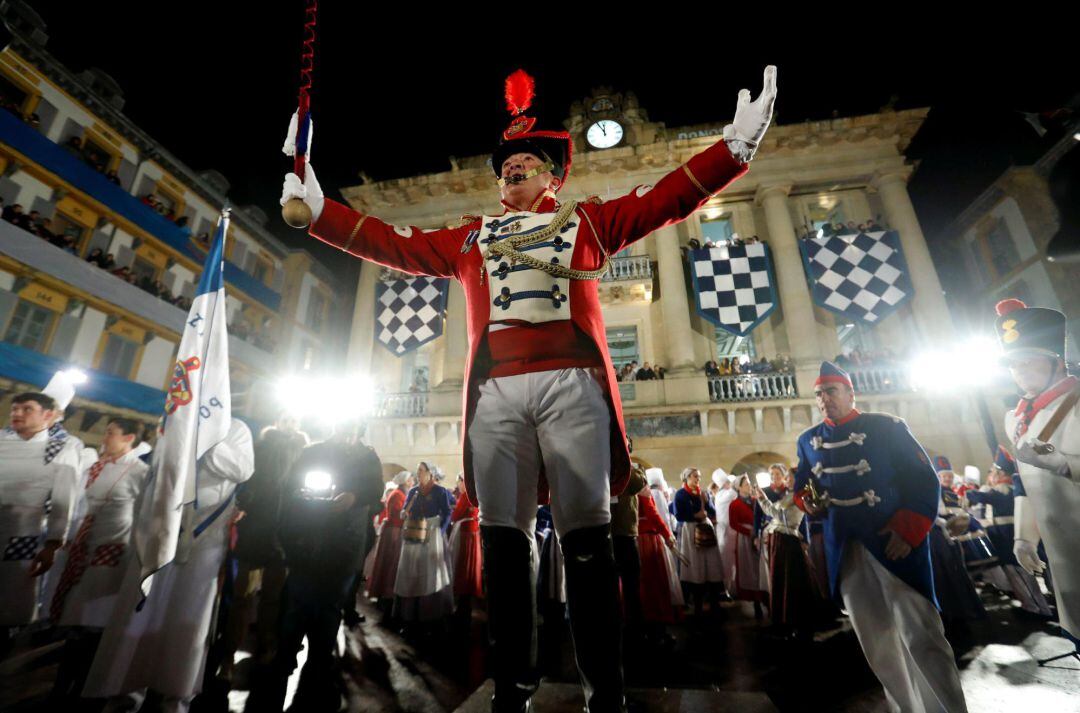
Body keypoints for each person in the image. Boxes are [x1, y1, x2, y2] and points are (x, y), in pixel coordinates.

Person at [281, 66, 776, 713]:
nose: (513, 169)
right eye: (507, 163)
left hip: (573, 387)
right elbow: (390, 244)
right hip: (496, 394)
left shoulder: (591, 223)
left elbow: (666, 199)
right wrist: (318, 208)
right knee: (503, 540)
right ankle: (513, 683)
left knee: (588, 537)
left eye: (528, 162)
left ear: (554, 175)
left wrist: (734, 148)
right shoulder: (470, 237)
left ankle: (607, 688)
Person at [793, 362, 966, 712]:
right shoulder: (807, 440)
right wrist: (807, 501)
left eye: (831, 391)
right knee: (876, 642)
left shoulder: (887, 427)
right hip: (845, 548)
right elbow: (802, 486)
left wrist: (909, 529)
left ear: (850, 393)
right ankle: (904, 708)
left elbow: (923, 480)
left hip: (895, 545)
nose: (824, 399)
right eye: (819, 394)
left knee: (923, 636)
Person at [84, 420, 254, 713]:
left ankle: (174, 694)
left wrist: (205, 437)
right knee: (139, 613)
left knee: (185, 620)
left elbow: (241, 469)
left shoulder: (234, 427)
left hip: (202, 546)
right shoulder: (176, 416)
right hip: (156, 536)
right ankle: (125, 690)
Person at [253, 418, 382, 710]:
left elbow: (375, 493)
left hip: (344, 549)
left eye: (352, 428)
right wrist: (301, 504)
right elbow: (291, 490)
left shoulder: (367, 458)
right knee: (296, 606)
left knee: (328, 609)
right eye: (342, 426)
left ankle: (320, 666)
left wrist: (355, 497)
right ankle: (282, 662)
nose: (346, 433)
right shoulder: (314, 452)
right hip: (307, 545)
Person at [47, 418, 150, 703]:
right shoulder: (98, 466)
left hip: (113, 552)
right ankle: (63, 684)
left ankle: (86, 686)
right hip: (84, 548)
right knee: (76, 621)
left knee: (95, 622)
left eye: (111, 433)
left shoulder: (141, 472)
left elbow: (143, 515)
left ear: (129, 438)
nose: (104, 438)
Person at [219, 414, 309, 678]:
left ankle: (266, 648)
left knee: (273, 598)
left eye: (294, 419)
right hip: (256, 531)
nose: (290, 423)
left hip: (284, 536)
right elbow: (248, 481)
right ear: (279, 421)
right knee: (242, 597)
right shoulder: (261, 447)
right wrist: (244, 503)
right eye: (285, 418)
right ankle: (227, 657)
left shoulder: (304, 452)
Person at [0, 380, 84, 633]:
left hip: (23, 530)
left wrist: (52, 544)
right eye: (15, 408)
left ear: (49, 416)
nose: (17, 414)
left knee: (9, 600)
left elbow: (63, 499)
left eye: (27, 409)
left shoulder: (62, 447)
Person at [965, 446, 1051, 617]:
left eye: (993, 472)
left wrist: (967, 491)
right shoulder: (1009, 489)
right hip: (1008, 538)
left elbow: (977, 496)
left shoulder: (1002, 490)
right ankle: (1038, 606)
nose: (990, 476)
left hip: (1008, 540)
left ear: (1001, 474)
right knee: (1023, 575)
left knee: (1019, 575)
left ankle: (1036, 609)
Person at [754, 466, 822, 639]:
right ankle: (786, 621)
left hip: (787, 541)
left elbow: (781, 517)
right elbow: (773, 513)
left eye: (790, 477)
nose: (787, 480)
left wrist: (762, 499)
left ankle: (795, 621)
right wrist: (763, 499)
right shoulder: (790, 496)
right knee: (782, 581)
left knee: (790, 582)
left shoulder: (800, 497)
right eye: (787, 478)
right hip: (780, 540)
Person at [927, 456, 987, 626]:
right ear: (938, 477)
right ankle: (954, 613)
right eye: (944, 476)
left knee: (958, 571)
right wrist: (945, 525)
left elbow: (959, 514)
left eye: (950, 476)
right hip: (939, 538)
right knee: (946, 573)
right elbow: (933, 514)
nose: (947, 479)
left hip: (953, 537)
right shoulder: (934, 490)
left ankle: (965, 610)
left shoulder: (953, 493)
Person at [394, 461, 453, 628]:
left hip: (432, 532)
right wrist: (404, 512)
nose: (417, 473)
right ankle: (410, 614)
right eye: (417, 470)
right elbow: (405, 509)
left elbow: (448, 512)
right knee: (412, 569)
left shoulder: (440, 491)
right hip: (414, 531)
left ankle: (431, 614)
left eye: (421, 470)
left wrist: (440, 530)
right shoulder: (414, 491)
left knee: (431, 571)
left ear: (430, 473)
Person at [672, 467, 723, 621]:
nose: (697, 479)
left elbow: (712, 511)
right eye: (695, 476)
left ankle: (715, 602)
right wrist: (694, 515)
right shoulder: (680, 494)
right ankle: (697, 604)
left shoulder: (703, 493)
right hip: (691, 530)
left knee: (711, 564)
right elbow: (678, 515)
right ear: (686, 478)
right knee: (696, 565)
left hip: (705, 529)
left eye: (699, 477)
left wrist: (707, 504)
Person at [635, 486, 679, 647]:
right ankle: (657, 630)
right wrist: (667, 534)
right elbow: (652, 514)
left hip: (630, 540)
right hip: (647, 539)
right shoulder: (640, 488)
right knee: (654, 585)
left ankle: (640, 630)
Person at [610, 465, 647, 648]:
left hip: (623, 533)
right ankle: (623, 630)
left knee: (632, 586)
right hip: (615, 533)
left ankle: (634, 629)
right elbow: (636, 483)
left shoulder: (623, 465)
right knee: (618, 587)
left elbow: (638, 484)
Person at [367, 471, 411, 609]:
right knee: (390, 562)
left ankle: (386, 594)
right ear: (404, 481)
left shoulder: (401, 494)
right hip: (394, 531)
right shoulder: (397, 494)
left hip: (396, 530)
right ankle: (385, 594)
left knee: (390, 563)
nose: (412, 482)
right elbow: (398, 514)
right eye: (410, 480)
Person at [727, 475, 766, 618]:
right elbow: (733, 523)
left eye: (749, 483)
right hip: (744, 538)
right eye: (746, 484)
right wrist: (748, 531)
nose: (749, 486)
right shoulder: (734, 504)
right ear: (739, 487)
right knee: (749, 568)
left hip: (758, 535)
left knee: (760, 566)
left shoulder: (755, 501)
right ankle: (755, 601)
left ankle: (763, 595)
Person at [448, 483, 483, 622]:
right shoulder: (478, 494)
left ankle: (462, 603)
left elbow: (456, 515)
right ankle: (467, 602)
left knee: (463, 566)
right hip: (474, 532)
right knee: (471, 567)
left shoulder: (466, 495)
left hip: (465, 534)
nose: (458, 484)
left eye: (460, 481)